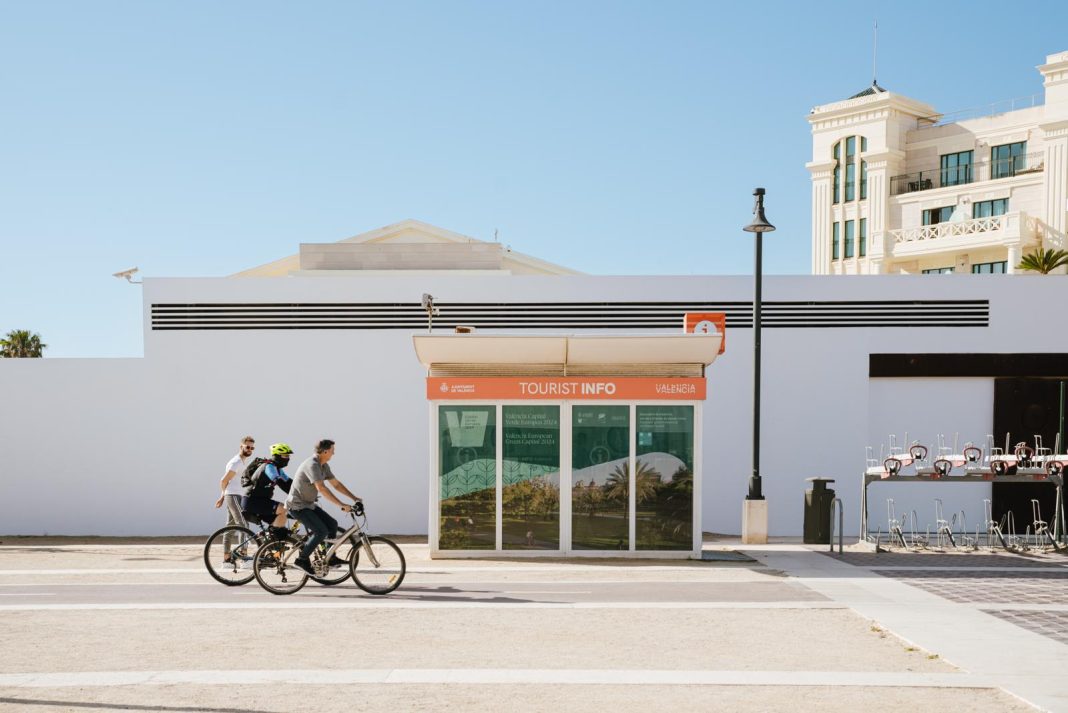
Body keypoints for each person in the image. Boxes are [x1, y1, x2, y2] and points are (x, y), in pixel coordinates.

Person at [286, 439, 362, 575]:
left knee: (332, 524)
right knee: (320, 531)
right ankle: (301, 560)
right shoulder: (312, 465)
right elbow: (321, 488)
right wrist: (341, 505)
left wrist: (354, 498)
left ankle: (330, 557)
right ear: (325, 451)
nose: (334, 453)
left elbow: (336, 485)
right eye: (333, 451)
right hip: (297, 506)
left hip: (308, 505)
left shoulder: (323, 465)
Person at [241, 443, 294, 542]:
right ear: (277, 455)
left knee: (282, 518)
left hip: (262, 501)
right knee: (283, 508)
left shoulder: (278, 469)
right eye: (285, 455)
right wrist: (295, 495)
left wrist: (303, 491)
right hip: (252, 501)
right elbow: (279, 481)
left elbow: (289, 482)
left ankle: (271, 545)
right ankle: (273, 537)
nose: (288, 458)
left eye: (288, 456)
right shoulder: (269, 467)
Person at [214, 435, 254, 562]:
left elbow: (229, 482)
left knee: (230, 528)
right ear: (241, 446)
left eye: (252, 448)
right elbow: (224, 480)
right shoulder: (236, 462)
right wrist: (224, 495)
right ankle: (244, 556)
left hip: (233, 496)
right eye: (247, 447)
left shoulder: (241, 461)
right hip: (234, 496)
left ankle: (226, 559)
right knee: (243, 524)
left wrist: (222, 497)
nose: (250, 450)